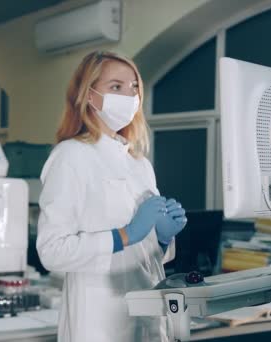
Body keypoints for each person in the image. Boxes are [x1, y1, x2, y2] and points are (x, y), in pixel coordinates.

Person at [36, 50, 188, 342]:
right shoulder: (71, 156)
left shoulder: (139, 164)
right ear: (89, 94)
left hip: (149, 314)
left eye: (134, 88)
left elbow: (148, 255)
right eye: (116, 86)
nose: (128, 96)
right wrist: (125, 235)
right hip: (97, 321)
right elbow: (52, 251)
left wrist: (164, 238)